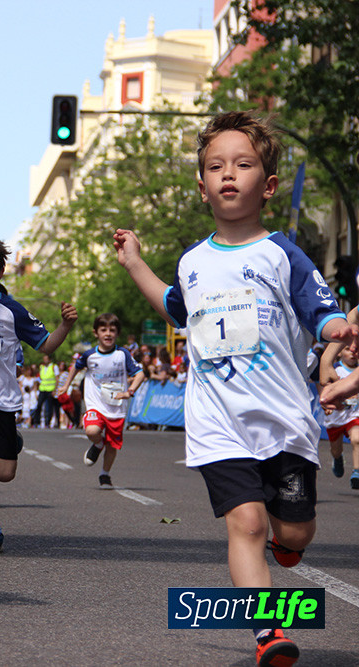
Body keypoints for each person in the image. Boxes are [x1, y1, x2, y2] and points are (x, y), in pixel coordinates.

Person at [114, 110, 350, 667]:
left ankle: (284, 546)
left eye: (242, 165)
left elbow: (320, 309)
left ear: (266, 185)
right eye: (215, 166)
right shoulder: (193, 262)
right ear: (202, 187)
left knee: (296, 532)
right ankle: (268, 633)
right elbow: (176, 308)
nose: (228, 174)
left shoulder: (281, 253)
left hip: (283, 419)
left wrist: (336, 327)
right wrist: (134, 263)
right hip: (219, 420)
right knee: (246, 522)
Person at [0, 235, 76, 553]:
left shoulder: (9, 309)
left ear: (0, 272)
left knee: (3, 472)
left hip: (2, 400)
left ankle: (7, 444)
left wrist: (64, 326)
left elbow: (46, 344)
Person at [59, 313, 144, 488]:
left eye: (112, 330)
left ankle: (105, 474)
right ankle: (98, 444)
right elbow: (75, 367)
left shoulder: (123, 355)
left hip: (116, 407)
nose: (108, 334)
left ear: (117, 334)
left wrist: (130, 391)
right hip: (95, 404)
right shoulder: (90, 355)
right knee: (91, 430)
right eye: (103, 330)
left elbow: (140, 374)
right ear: (96, 333)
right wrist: (66, 385)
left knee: (112, 445)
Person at [320, 346, 359, 489]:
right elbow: (324, 389)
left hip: (354, 415)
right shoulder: (334, 369)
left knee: (357, 438)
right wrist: (327, 404)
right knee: (336, 450)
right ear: (340, 352)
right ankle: (337, 458)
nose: (353, 353)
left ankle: (357, 472)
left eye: (357, 349)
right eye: (348, 349)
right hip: (336, 418)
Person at [31, 354, 59, 428]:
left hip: (50, 389)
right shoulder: (41, 367)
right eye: (44, 359)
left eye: (46, 359)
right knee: (39, 405)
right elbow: (39, 378)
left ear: (49, 359)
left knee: (49, 407)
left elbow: (57, 379)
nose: (45, 360)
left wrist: (55, 390)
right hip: (42, 388)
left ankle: (47, 422)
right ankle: (36, 422)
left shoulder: (53, 367)